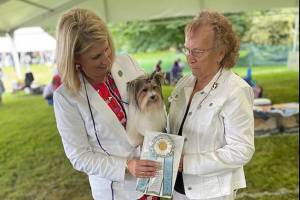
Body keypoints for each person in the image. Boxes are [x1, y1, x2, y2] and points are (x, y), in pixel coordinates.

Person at [53, 8, 159, 200]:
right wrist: (127, 165)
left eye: (107, 49)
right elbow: (79, 156)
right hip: (118, 191)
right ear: (75, 57)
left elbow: (154, 109)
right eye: (96, 57)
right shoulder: (66, 98)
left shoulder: (127, 63)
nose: (106, 61)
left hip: (153, 181)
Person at [168, 11, 255, 200]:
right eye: (187, 49)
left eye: (198, 51)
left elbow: (241, 150)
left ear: (220, 53)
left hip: (210, 194)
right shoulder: (184, 83)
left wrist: (187, 163)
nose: (190, 58)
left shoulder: (236, 90)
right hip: (177, 189)